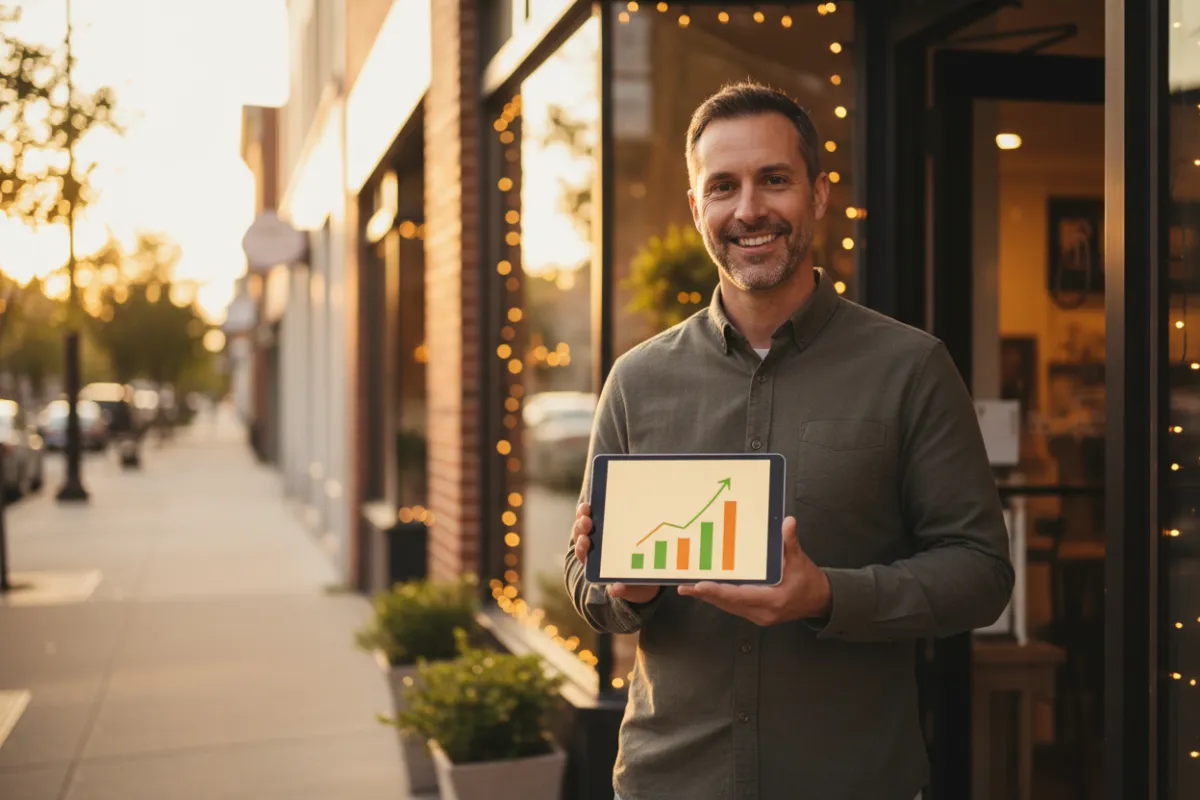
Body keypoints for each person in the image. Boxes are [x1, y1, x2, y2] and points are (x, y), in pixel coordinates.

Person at [564, 81, 1014, 800]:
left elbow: (982, 573)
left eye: (774, 180)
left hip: (853, 781)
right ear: (696, 209)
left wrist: (826, 596)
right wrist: (625, 590)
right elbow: (586, 580)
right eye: (723, 186)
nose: (749, 210)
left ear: (818, 196)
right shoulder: (637, 381)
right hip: (670, 782)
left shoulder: (911, 368)